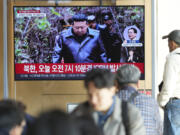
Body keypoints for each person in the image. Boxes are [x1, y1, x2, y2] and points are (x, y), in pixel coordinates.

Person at [72, 68, 145, 135]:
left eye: (98, 95)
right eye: (90, 95)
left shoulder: (130, 114)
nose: (93, 100)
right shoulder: (79, 113)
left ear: (112, 90)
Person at [116, 64, 163, 135]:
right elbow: (159, 130)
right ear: (138, 83)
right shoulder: (150, 101)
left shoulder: (110, 101)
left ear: (116, 83)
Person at [158, 30, 180, 135]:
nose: (168, 45)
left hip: (175, 104)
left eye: (169, 42)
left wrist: (162, 102)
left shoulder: (173, 58)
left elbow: (168, 85)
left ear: (173, 43)